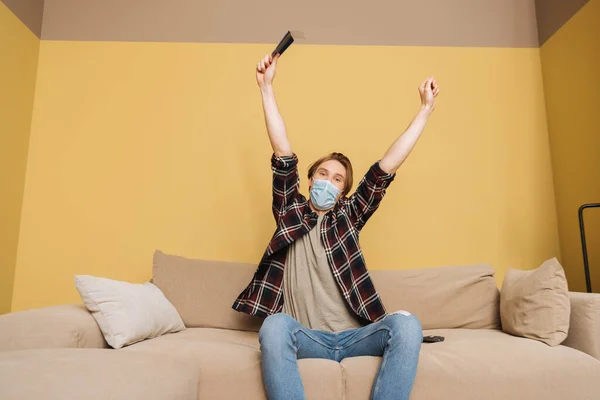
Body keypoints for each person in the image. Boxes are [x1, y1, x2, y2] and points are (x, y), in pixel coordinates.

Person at [233, 53, 439, 400]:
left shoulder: (349, 216)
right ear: (310, 178)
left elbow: (385, 169)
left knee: (407, 324)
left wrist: (424, 111)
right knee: (274, 325)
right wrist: (266, 88)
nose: (328, 182)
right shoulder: (290, 210)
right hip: (307, 338)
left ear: (344, 191)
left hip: (356, 337)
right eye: (323, 174)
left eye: (338, 179)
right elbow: (282, 152)